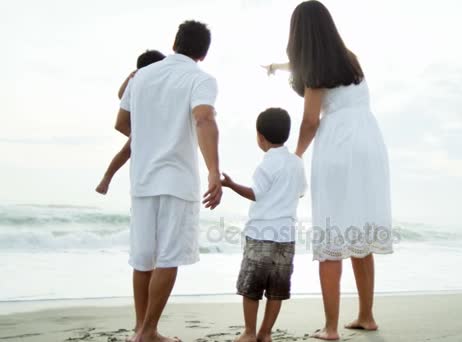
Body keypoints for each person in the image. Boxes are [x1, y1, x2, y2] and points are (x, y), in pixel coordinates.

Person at [265, 1, 393, 340]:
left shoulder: (315, 68)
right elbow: (307, 64)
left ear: (299, 33)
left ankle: (331, 327)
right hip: (369, 142)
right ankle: (366, 316)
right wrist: (279, 67)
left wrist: (296, 155)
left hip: (338, 144)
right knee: (360, 232)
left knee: (331, 232)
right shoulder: (348, 57)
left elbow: (309, 120)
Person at [114, 20, 222, 342]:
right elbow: (204, 118)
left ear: (174, 42)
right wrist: (214, 171)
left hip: (143, 179)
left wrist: (151, 135)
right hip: (176, 180)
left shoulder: (142, 76)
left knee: (143, 257)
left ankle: (140, 328)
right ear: (203, 53)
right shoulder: (200, 79)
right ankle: (148, 331)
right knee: (168, 257)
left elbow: (121, 123)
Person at [221, 108, 307, 342]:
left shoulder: (266, 164)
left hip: (260, 234)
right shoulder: (297, 163)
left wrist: (230, 185)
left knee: (252, 286)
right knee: (276, 288)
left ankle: (249, 332)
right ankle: (266, 333)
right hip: (286, 236)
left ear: (260, 137)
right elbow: (299, 194)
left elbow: (255, 194)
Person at [96, 50, 165, 195]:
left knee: (128, 150)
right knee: (126, 151)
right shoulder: (138, 79)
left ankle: (106, 180)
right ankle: (106, 179)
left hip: (147, 127)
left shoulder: (153, 83)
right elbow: (122, 95)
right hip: (141, 127)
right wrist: (131, 76)